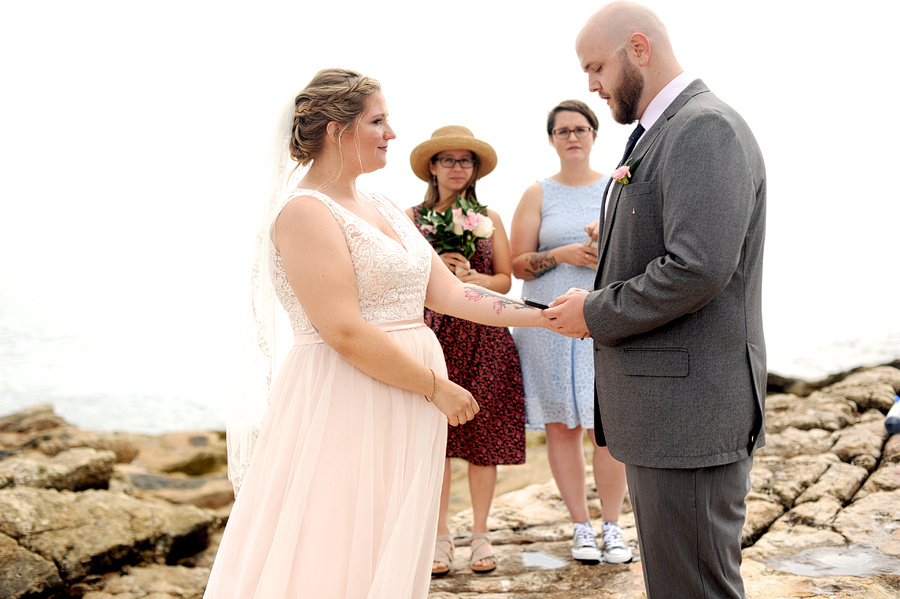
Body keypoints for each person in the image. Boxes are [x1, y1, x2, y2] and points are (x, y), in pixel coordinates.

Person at [202, 69, 549, 599]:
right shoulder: (304, 213)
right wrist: (435, 386)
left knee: (389, 530)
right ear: (338, 131)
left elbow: (451, 295)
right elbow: (342, 329)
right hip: (346, 394)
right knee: (335, 532)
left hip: (403, 397)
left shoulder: (384, 204)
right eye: (378, 120)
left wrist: (546, 315)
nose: (392, 133)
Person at [546, 3, 767, 598]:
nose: (589, 84)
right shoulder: (661, 132)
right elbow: (676, 247)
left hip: (688, 418)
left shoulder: (704, 128)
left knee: (693, 589)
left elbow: (699, 268)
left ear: (638, 49)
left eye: (596, 66)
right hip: (666, 416)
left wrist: (592, 313)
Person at [509, 100, 631, 564]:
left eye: (580, 128)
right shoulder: (537, 193)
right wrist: (563, 253)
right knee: (562, 427)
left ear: (594, 134)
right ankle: (580, 527)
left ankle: (614, 527)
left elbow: (638, 257)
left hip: (602, 320)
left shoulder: (614, 189)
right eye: (563, 130)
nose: (572, 136)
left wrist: (604, 245)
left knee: (607, 428)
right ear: (552, 139)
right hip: (548, 325)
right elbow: (518, 263)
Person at [405, 126, 525, 576]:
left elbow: (504, 281)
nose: (457, 168)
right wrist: (440, 273)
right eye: (448, 160)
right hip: (432, 335)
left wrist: (472, 279)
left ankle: (479, 533)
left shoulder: (489, 216)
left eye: (465, 161)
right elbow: (400, 278)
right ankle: (440, 536)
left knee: (484, 437)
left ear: (474, 169)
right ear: (432, 167)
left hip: (485, 336)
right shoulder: (410, 218)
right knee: (436, 440)